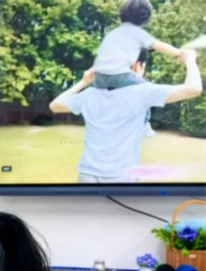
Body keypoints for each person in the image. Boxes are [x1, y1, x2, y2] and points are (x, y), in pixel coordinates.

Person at [49, 49, 203, 183]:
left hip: (87, 175)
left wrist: (83, 82)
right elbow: (194, 89)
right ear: (137, 66)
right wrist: (190, 59)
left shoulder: (90, 95)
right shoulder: (142, 92)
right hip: (122, 177)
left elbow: (55, 105)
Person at [92, 0, 181, 91]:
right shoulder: (137, 32)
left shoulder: (112, 33)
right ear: (145, 19)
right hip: (118, 76)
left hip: (98, 78)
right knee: (146, 89)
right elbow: (159, 46)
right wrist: (179, 53)